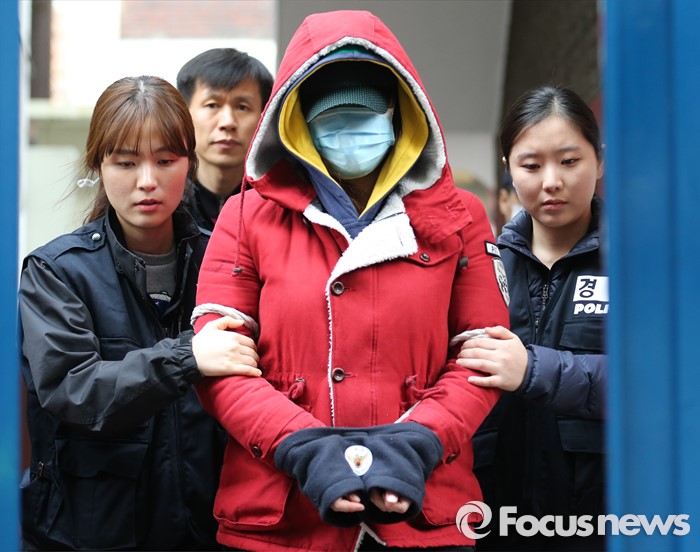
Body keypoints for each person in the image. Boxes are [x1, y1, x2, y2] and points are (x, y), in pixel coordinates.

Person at [191, 10, 511, 552]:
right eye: (332, 117)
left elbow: (484, 357)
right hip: (283, 518)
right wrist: (304, 447)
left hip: (421, 513)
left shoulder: (460, 217)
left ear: (401, 113)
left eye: (366, 114)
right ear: (298, 122)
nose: (350, 130)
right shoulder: (244, 216)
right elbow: (218, 363)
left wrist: (416, 443)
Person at [18, 75, 260, 551]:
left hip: (209, 529)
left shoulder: (225, 261)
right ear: (98, 164)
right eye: (126, 162)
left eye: (166, 161)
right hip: (89, 534)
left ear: (189, 163)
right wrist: (188, 357)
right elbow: (73, 389)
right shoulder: (57, 271)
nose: (147, 181)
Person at [458, 85, 607, 551]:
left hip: (602, 519)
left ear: (600, 161)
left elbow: (660, 381)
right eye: (531, 165)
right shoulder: (482, 268)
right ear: (509, 168)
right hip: (491, 519)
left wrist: (531, 369)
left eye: (569, 161)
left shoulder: (641, 265)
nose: (551, 181)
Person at [176, 48, 274, 231]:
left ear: (264, 117)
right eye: (212, 105)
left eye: (242, 107)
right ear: (184, 114)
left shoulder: (279, 204)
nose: (228, 122)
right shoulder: (166, 201)